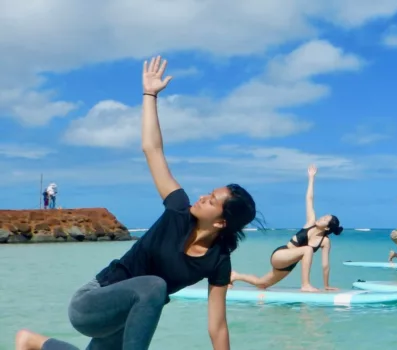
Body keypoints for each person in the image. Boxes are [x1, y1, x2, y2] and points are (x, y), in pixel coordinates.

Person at [14, 55, 258, 350]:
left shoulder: (218, 260)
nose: (203, 197)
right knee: (155, 285)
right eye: (208, 193)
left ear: (221, 222)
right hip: (93, 301)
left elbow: (218, 326)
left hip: (130, 316)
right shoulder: (179, 209)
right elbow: (152, 149)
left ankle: (30, 342)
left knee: (151, 291)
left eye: (212, 200)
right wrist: (149, 95)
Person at [230, 164, 343, 292]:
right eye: (322, 216)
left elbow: (325, 265)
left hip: (289, 264)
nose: (320, 218)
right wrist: (311, 178)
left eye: (324, 220)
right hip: (280, 255)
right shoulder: (311, 222)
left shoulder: (325, 241)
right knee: (307, 250)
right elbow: (309, 199)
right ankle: (305, 285)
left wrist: (326, 285)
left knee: (261, 284)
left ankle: (235, 275)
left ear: (327, 228)